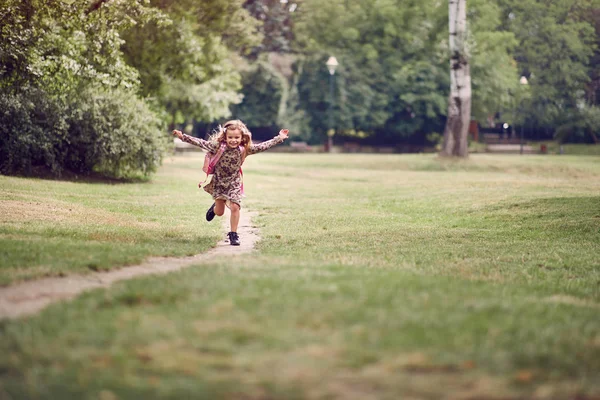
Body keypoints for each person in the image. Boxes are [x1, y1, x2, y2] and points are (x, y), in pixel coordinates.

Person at [172, 120, 288, 246]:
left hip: (234, 182)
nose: (233, 140)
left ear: (242, 137)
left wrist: (279, 138)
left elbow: (263, 146)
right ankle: (215, 208)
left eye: (237, 137)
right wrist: (183, 137)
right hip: (219, 182)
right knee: (220, 212)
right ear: (225, 137)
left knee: (235, 206)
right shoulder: (218, 147)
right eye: (230, 137)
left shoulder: (244, 149)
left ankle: (233, 234)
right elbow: (201, 142)